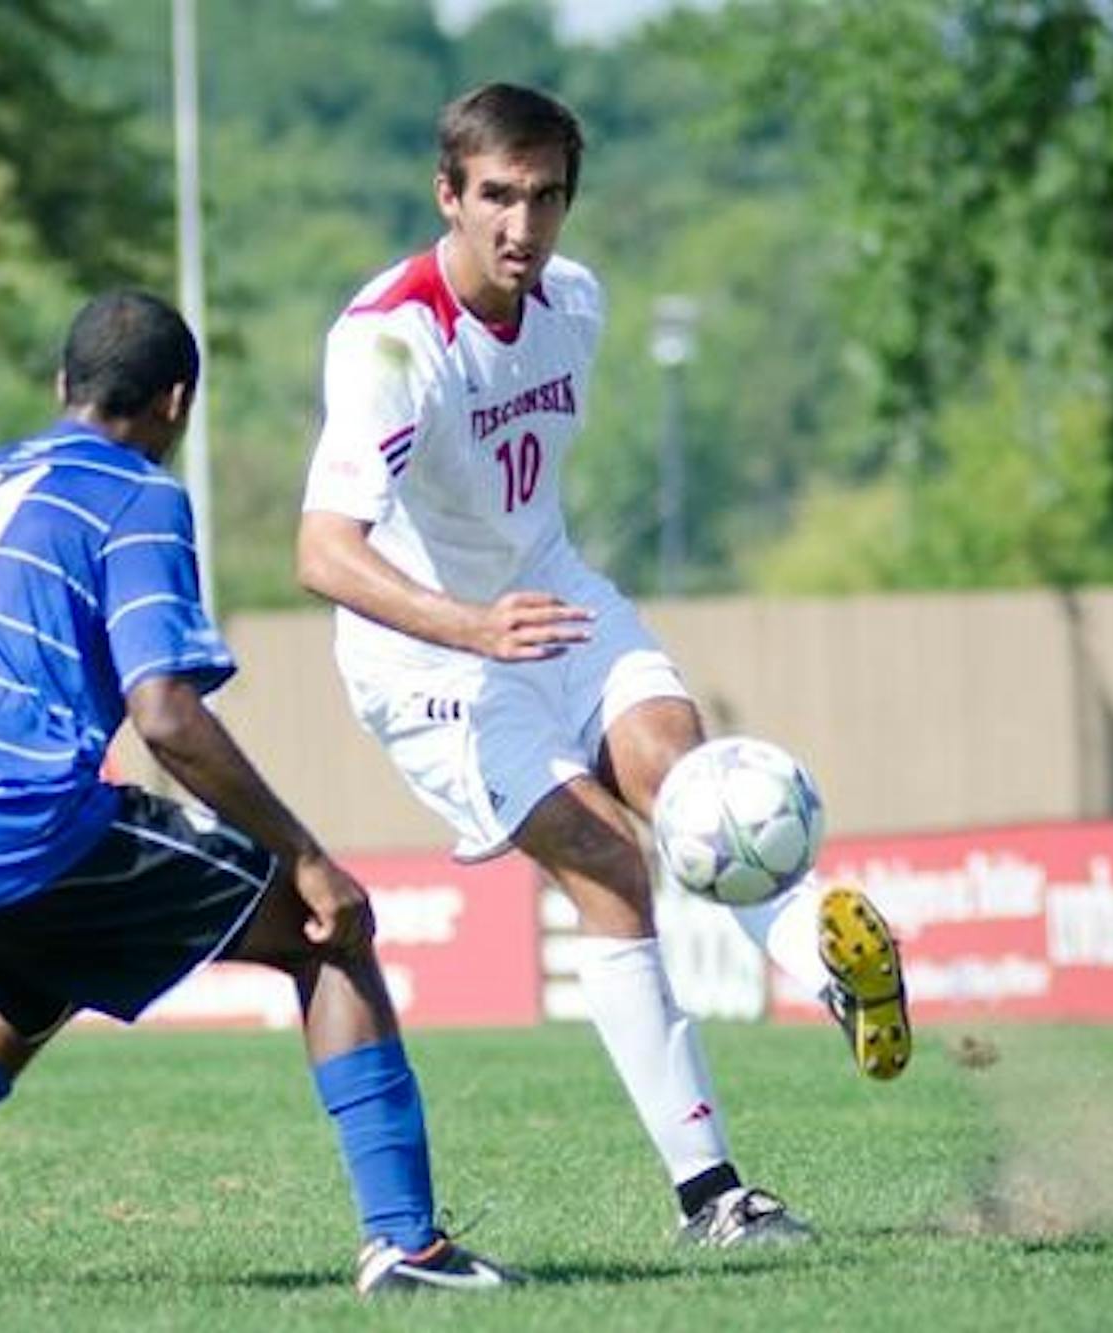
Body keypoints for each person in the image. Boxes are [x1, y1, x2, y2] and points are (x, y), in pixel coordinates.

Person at [0, 290, 516, 1297]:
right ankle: (406, 1245)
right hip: (9, 818)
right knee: (325, 928)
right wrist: (307, 857)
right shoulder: (133, 493)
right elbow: (165, 714)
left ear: (61, 388)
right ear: (177, 401)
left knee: (32, 986)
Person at [296, 84, 912, 1248]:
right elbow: (320, 553)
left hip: (559, 598)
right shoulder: (388, 345)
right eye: (494, 198)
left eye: (543, 198)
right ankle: (713, 1196)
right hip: (432, 658)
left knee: (690, 789)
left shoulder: (574, 301)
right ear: (447, 194)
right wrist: (472, 628)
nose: (519, 227)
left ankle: (828, 965)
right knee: (609, 868)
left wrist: (524, 609)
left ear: (568, 201)